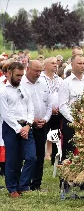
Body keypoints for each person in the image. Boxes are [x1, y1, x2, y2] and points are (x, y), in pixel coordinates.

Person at [0, 62, 36, 198]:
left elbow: (31, 108)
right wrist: (19, 129)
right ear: (9, 73)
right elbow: (5, 114)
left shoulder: (25, 89)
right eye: (17, 75)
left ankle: (23, 184)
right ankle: (12, 188)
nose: (20, 78)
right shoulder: (3, 91)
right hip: (11, 128)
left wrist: (28, 125)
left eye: (21, 75)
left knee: (32, 157)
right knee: (13, 159)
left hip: (26, 126)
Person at [21, 61, 52, 191]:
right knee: (28, 156)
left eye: (40, 71)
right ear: (28, 69)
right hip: (25, 124)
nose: (38, 74)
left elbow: (49, 104)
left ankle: (36, 184)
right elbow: (18, 107)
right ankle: (23, 183)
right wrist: (31, 120)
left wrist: (45, 119)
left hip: (41, 124)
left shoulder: (44, 82)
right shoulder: (21, 83)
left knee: (40, 155)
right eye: (36, 71)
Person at [59, 54, 84, 161]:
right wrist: (75, 120)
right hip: (71, 123)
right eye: (79, 63)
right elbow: (63, 105)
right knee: (69, 151)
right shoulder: (66, 83)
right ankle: (66, 176)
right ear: (72, 64)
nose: (82, 66)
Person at [41, 57, 63, 163]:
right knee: (42, 136)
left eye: (56, 63)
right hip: (44, 114)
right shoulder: (40, 79)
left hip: (58, 114)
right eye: (52, 63)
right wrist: (49, 109)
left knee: (56, 135)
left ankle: (55, 158)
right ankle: (40, 157)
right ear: (45, 66)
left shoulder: (59, 80)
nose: (55, 65)